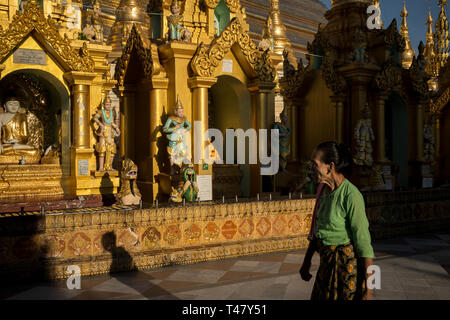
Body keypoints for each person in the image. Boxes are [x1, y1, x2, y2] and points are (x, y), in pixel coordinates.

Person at [299, 141, 375, 300]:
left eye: (315, 164)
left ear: (330, 167)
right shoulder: (323, 190)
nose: (311, 169)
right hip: (325, 269)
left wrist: (371, 291)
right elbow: (317, 231)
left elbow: (365, 245)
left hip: (346, 272)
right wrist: (306, 262)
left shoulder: (351, 195)